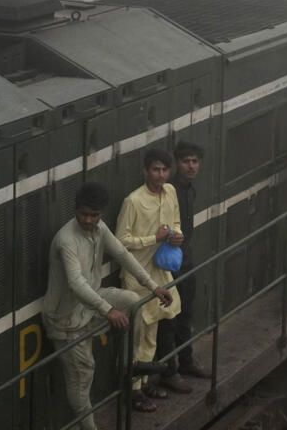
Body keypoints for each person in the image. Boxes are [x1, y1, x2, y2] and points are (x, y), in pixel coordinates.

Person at [42, 182, 172, 430]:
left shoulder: (99, 228)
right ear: (75, 210)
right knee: (83, 375)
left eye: (94, 215)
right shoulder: (65, 240)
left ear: (101, 214)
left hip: (90, 304)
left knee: (133, 302)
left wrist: (153, 287)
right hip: (65, 319)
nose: (89, 220)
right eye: (84, 214)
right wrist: (107, 310)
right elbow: (76, 283)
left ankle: (128, 364)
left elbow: (122, 254)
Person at [115, 149, 187, 411]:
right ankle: (132, 391)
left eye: (164, 170)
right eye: (155, 169)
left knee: (152, 333)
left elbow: (175, 221)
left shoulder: (170, 192)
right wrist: (153, 239)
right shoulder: (132, 201)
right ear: (146, 171)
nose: (160, 174)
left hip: (160, 273)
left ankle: (144, 383)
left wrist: (176, 235)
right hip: (137, 276)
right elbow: (120, 241)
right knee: (138, 334)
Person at [153, 142, 211, 386]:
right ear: (177, 164)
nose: (191, 166)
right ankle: (169, 371)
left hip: (185, 260)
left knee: (185, 311)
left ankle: (186, 360)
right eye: (186, 161)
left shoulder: (189, 190)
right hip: (168, 264)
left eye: (195, 161)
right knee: (169, 317)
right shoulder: (169, 191)